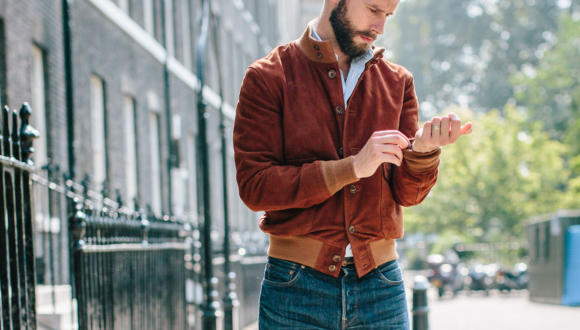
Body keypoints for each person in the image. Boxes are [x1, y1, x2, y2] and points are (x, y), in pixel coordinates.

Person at [233, 0, 472, 328]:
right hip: (294, 289)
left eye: (388, 16)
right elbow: (255, 186)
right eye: (374, 10)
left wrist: (423, 151)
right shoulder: (268, 76)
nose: (381, 27)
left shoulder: (398, 83)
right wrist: (353, 167)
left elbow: (408, 194)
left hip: (381, 288)